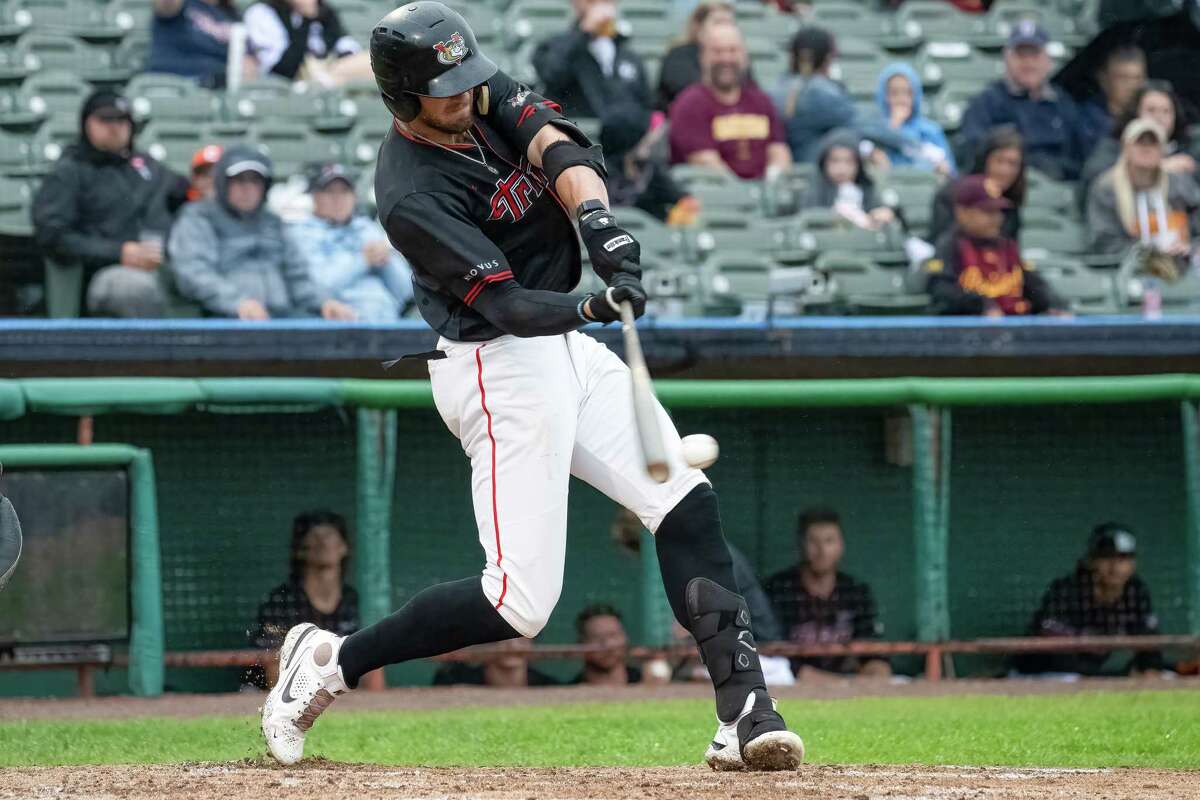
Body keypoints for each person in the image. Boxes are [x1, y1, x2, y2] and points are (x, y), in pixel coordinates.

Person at [258, 2, 803, 774]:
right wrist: (593, 302)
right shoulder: (411, 192)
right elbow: (509, 304)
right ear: (401, 99)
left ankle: (745, 713)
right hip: (497, 364)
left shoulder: (475, 91)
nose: (465, 95)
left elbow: (556, 144)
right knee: (518, 603)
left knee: (683, 497)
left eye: (466, 78)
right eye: (443, 88)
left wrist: (600, 225)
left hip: (564, 349)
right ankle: (329, 664)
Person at [33, 90, 188, 318]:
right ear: (86, 123)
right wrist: (118, 252)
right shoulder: (71, 171)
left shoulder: (145, 166)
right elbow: (53, 236)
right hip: (104, 273)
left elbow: (187, 192)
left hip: (161, 265)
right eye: (105, 119)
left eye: (121, 120)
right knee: (133, 289)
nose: (114, 127)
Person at [168, 144, 358, 320]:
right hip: (222, 317)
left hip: (283, 316)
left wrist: (324, 302)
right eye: (239, 180)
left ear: (265, 186)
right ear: (223, 183)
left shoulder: (273, 222)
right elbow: (193, 271)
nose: (247, 188)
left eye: (255, 181)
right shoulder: (198, 217)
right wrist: (236, 303)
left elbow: (297, 276)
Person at [1015, 523, 1166, 677]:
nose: (1115, 567)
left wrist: (1150, 668)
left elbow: (1149, 639)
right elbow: (1049, 637)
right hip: (1042, 674)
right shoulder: (1067, 589)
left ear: (1133, 564)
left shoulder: (1135, 591)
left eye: (1123, 559)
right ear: (1092, 560)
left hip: (1093, 673)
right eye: (1106, 557)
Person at [763, 508, 891, 680]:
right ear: (800, 545)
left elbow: (875, 653)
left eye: (829, 541)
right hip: (793, 684)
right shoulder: (778, 589)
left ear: (841, 545)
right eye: (813, 541)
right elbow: (774, 659)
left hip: (849, 682)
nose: (822, 550)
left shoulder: (855, 591)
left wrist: (874, 673)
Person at [960, 21, 1088, 182]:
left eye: (1034, 55)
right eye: (1021, 55)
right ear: (1007, 59)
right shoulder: (985, 104)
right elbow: (975, 155)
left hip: (1058, 189)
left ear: (1048, 61)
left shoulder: (1064, 105)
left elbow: (1081, 157)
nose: (1028, 63)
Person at [288, 163, 413, 322]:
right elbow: (319, 287)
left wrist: (388, 262)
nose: (338, 199)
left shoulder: (367, 228)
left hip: (387, 323)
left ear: (354, 196)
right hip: (336, 326)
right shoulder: (300, 233)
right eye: (329, 192)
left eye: (344, 191)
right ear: (314, 196)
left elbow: (405, 292)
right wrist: (363, 260)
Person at [248, 511, 360, 689]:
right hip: (276, 694)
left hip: (341, 693)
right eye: (314, 537)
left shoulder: (353, 599)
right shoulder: (282, 601)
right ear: (300, 549)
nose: (323, 543)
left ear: (343, 547)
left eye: (329, 536)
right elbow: (273, 666)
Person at [926, 175, 1066, 317]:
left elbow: (1034, 284)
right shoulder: (949, 246)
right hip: (969, 332)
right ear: (962, 212)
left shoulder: (1007, 246)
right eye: (988, 211)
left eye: (999, 212)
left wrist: (1053, 305)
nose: (997, 218)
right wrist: (982, 306)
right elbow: (942, 292)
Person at [669, 23, 791, 180]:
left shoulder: (761, 101)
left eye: (733, 50)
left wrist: (773, 181)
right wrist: (744, 194)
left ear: (744, 56)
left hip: (763, 194)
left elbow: (779, 150)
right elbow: (705, 163)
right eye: (718, 51)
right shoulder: (690, 103)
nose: (726, 58)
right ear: (703, 57)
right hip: (714, 198)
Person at [1086, 118, 1199, 263]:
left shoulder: (1178, 183)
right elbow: (1104, 241)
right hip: (1128, 269)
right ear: (1125, 147)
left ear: (1162, 150)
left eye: (1153, 142)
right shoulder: (1106, 188)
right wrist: (1150, 256)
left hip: (1182, 264)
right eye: (1139, 142)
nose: (1146, 147)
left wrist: (1191, 246)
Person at [1079, 81, 1199, 212]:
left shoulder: (1189, 148)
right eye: (1151, 110)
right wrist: (1159, 169)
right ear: (1135, 113)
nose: (1159, 118)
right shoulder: (1112, 148)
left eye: (1166, 111)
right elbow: (1092, 186)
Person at [532, 0, 652, 120]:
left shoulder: (628, 55)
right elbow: (551, 75)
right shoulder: (554, 46)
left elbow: (645, 103)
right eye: (592, 2)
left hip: (621, 134)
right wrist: (583, 31)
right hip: (576, 131)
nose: (601, 6)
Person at [770, 27, 856, 164]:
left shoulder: (776, 88)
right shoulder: (821, 92)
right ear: (828, 59)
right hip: (814, 173)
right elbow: (856, 122)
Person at [929, 126, 1024, 245]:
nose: (1005, 171)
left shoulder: (1010, 201)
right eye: (999, 161)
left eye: (1013, 164)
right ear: (984, 160)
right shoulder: (951, 194)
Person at [600, 105, 695, 223]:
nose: (650, 139)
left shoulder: (650, 170)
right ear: (628, 139)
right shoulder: (599, 173)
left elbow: (682, 198)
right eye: (644, 135)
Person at [243, 0, 371, 86]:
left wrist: (339, 63)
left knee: (372, 61)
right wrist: (305, 19)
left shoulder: (324, 10)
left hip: (329, 68)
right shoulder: (262, 12)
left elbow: (345, 43)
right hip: (295, 78)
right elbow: (280, 68)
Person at [799, 129, 895, 231]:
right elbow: (809, 216)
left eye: (849, 162)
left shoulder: (867, 188)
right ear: (824, 163)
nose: (842, 168)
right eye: (835, 161)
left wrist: (881, 215)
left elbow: (878, 213)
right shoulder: (816, 188)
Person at [871, 63, 955, 176]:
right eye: (894, 93)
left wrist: (943, 169)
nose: (901, 99)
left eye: (908, 93)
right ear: (884, 96)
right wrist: (893, 128)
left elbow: (951, 173)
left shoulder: (931, 131)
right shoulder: (874, 131)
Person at [148, 0, 255, 88]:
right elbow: (165, 5)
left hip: (221, 87)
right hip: (174, 84)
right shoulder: (185, 6)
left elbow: (248, 59)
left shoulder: (232, 15)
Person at [656, 1, 735, 111]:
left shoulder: (736, 58)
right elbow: (691, 95)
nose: (725, 29)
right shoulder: (678, 56)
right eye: (719, 23)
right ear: (699, 27)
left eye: (730, 23)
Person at [1078, 45, 1147, 161]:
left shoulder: (1150, 115)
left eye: (1137, 78)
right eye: (1123, 78)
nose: (1132, 86)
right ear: (1104, 80)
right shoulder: (1087, 120)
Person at [432, 636, 559, 687]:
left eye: (520, 636)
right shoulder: (457, 680)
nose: (512, 646)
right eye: (501, 636)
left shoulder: (548, 686)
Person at [572, 604, 641, 685]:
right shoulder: (567, 692)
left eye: (613, 635)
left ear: (625, 638)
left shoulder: (647, 685)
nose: (607, 644)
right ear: (581, 644)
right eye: (596, 637)